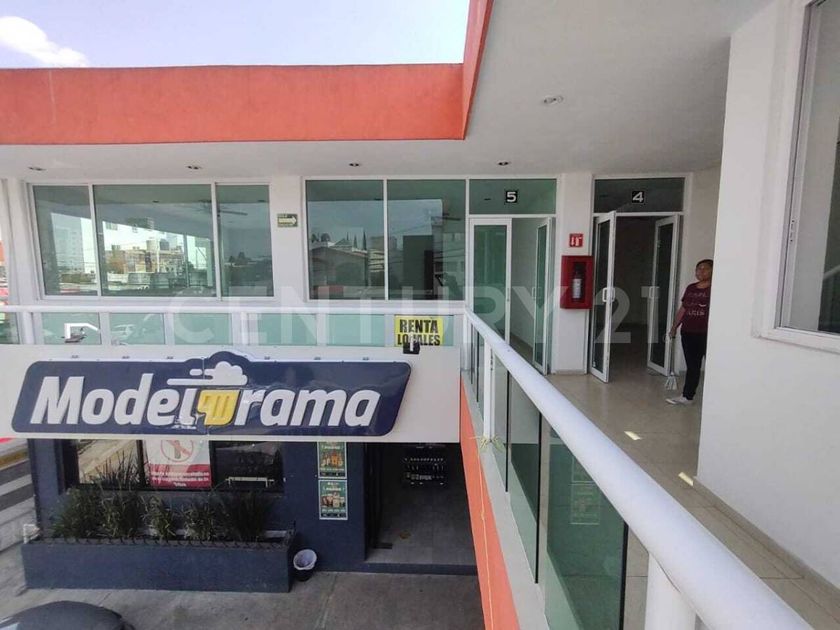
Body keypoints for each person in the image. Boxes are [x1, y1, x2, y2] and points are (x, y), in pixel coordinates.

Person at [666, 259, 713, 405]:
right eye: (698, 269)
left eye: (705, 269)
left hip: (708, 334)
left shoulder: (716, 288)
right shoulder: (691, 288)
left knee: (714, 365)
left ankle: (715, 398)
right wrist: (674, 327)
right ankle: (687, 396)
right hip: (689, 332)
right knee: (692, 366)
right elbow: (683, 309)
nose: (701, 272)